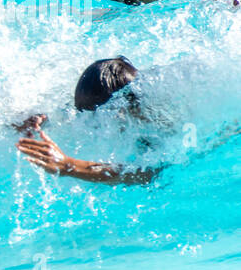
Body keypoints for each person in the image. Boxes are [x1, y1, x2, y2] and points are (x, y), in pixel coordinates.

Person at [15, 56, 158, 184]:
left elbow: (147, 174)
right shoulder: (106, 110)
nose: (93, 124)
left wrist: (68, 165)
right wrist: (33, 121)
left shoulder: (156, 129)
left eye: (98, 118)